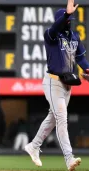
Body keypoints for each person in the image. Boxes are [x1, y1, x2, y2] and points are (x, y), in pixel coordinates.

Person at [24, 1, 89, 171]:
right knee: (62, 119)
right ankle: (69, 158)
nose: (69, 21)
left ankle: (33, 146)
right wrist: (66, 14)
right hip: (53, 82)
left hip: (68, 84)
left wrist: (88, 69)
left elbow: (81, 58)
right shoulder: (50, 35)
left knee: (52, 118)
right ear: (60, 20)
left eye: (70, 18)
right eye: (67, 19)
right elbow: (55, 28)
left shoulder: (74, 36)